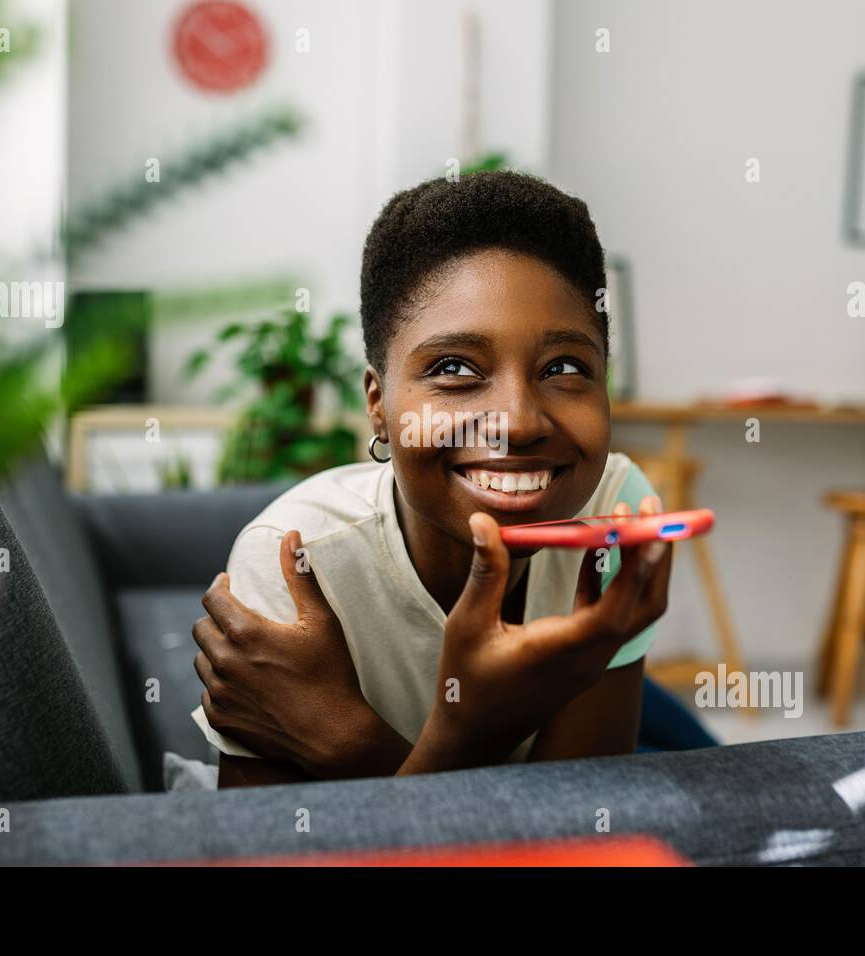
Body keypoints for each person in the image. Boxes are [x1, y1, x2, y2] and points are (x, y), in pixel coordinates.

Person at [191, 170, 715, 788]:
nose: (517, 423)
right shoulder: (295, 565)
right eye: (454, 368)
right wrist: (467, 732)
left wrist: (354, 744)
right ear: (378, 402)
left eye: (565, 366)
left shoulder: (617, 513)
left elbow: (574, 836)